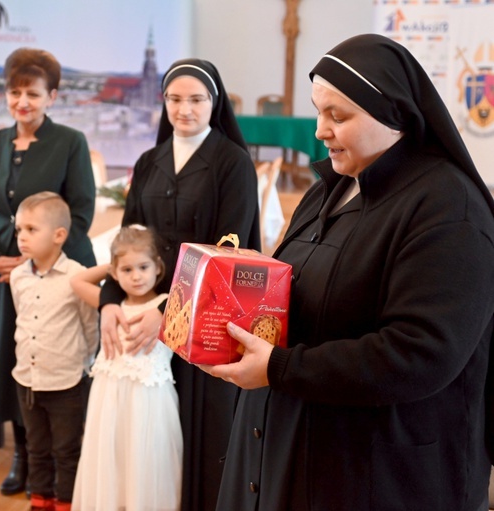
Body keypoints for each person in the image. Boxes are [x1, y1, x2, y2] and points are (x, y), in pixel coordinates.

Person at [205, 34, 494, 511]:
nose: (320, 130)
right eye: (318, 111)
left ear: (393, 112)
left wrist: (279, 368)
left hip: (379, 476)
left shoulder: (448, 206)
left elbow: (419, 353)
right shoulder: (329, 189)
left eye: (338, 116)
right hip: (285, 452)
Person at [98, 58, 260, 511]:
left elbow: (227, 257)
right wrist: (110, 300)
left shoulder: (233, 164)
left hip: (203, 331)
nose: (184, 109)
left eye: (196, 99)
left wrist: (168, 313)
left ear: (215, 103)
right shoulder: (149, 161)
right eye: (174, 98)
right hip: (146, 319)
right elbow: (128, 241)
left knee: (201, 442)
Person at [0, 47, 96, 496]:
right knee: (15, 368)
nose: (23, 101)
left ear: (51, 96)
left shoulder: (70, 143)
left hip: (53, 278)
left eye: (33, 93)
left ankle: (62, 464)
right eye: (15, 92)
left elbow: (79, 214)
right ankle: (22, 456)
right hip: (0, 276)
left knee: (53, 366)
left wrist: (36, 263)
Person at [72, 225, 183, 511]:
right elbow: (77, 281)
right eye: (127, 270)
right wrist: (110, 266)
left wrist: (121, 264)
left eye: (143, 267)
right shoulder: (112, 306)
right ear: (114, 273)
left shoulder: (167, 308)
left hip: (150, 402)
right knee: (112, 459)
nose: (136, 276)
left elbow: (198, 294)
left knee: (144, 460)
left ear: (158, 267)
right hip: (108, 399)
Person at [9, 192, 98, 511]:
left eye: (31, 229)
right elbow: (22, 316)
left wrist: (83, 363)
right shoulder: (18, 276)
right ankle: (40, 501)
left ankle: (66, 503)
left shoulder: (77, 276)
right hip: (27, 380)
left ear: (59, 235)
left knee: (67, 450)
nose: (22, 237)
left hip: (66, 382)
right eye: (19, 229)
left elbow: (90, 326)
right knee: (36, 448)